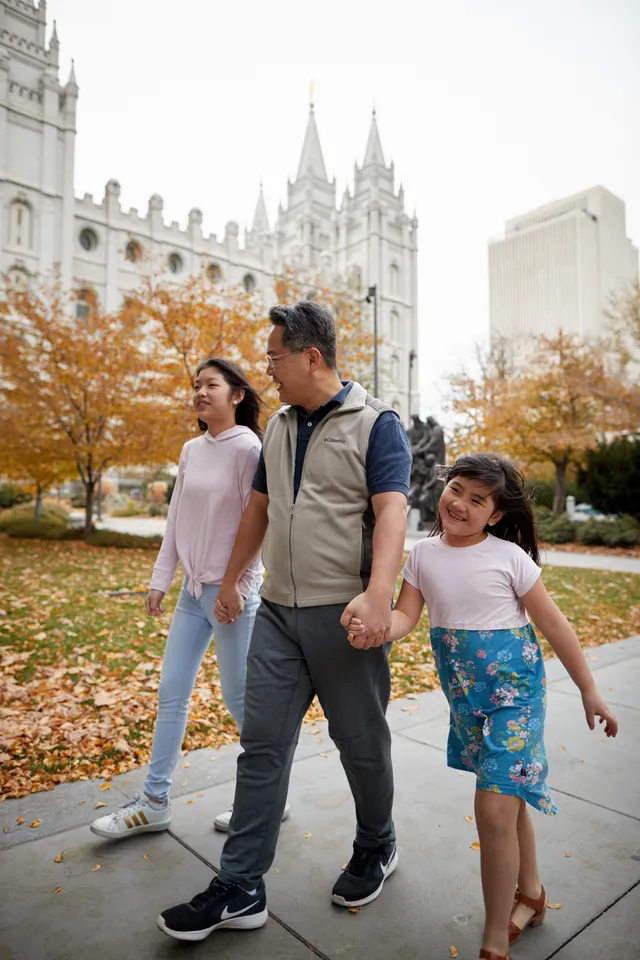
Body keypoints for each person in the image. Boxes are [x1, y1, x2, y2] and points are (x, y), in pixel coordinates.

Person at [156, 299, 412, 942]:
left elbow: (391, 513)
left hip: (343, 616)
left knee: (360, 743)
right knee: (262, 746)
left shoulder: (377, 424)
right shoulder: (278, 428)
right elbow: (259, 511)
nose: (267, 367)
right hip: (276, 612)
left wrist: (381, 593)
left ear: (311, 357)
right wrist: (233, 583)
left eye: (273, 356)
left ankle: (376, 844)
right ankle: (241, 886)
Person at [348, 452, 618, 960]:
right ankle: (532, 895)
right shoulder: (423, 557)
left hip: (515, 698)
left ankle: (495, 937)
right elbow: (406, 616)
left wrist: (589, 689)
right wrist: (377, 630)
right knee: (505, 802)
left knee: (493, 806)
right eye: (457, 490)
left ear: (495, 514)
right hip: (467, 700)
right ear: (443, 490)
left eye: (478, 500)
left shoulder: (509, 558)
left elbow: (556, 626)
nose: (461, 504)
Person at [90, 358, 286, 840]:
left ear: (237, 395)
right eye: (195, 385)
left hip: (231, 598)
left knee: (241, 703)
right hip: (192, 595)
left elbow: (255, 522)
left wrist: (236, 585)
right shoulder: (191, 449)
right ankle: (154, 802)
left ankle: (265, 798)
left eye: (210, 385)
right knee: (171, 694)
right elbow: (177, 518)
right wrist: (162, 579)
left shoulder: (248, 449)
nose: (199, 393)